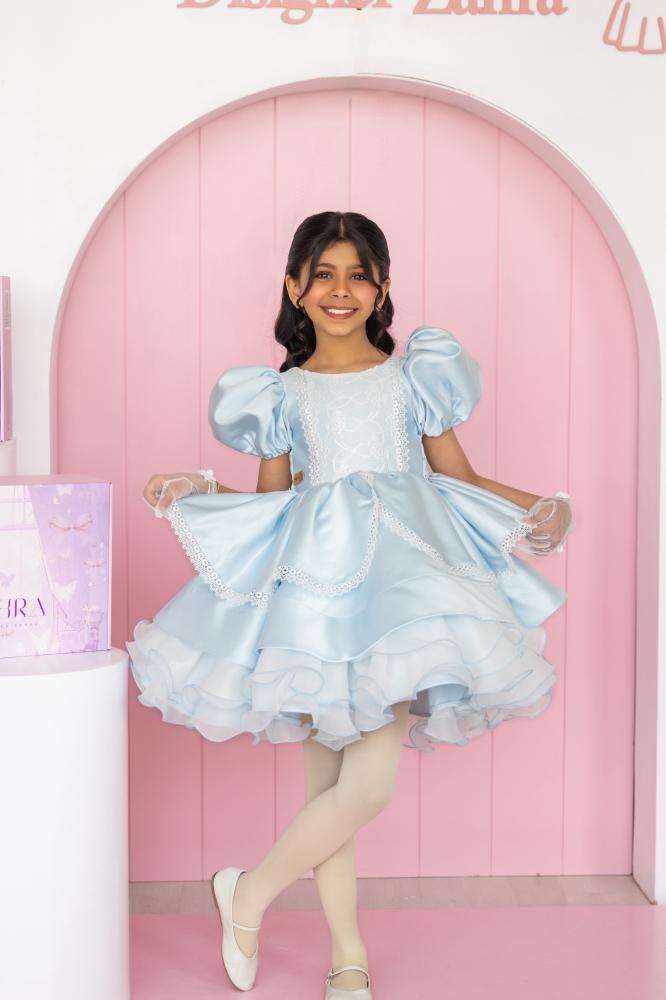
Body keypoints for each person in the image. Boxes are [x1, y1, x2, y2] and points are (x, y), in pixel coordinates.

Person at [126, 210, 574, 998]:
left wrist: (536, 508)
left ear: (384, 287)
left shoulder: (412, 380)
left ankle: (247, 896)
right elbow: (274, 500)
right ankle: (347, 957)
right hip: (311, 595)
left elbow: (457, 476)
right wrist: (197, 488)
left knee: (366, 787)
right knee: (328, 789)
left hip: (400, 592)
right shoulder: (280, 395)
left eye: (359, 275)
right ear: (295, 287)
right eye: (324, 275)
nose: (342, 290)